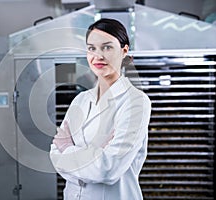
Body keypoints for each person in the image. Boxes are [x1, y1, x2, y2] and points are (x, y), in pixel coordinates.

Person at [49, 18, 151, 200]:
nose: (98, 56)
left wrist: (68, 149)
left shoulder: (136, 102)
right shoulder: (80, 100)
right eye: (91, 48)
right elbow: (55, 156)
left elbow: (108, 169)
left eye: (107, 47)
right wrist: (93, 156)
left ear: (124, 51)